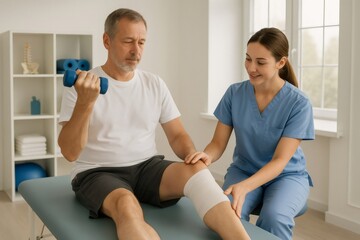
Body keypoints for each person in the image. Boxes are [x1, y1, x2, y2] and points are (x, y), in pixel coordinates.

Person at [58, 8, 250, 240]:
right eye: (128, 41)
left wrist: (191, 154)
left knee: (198, 170)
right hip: (97, 171)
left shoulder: (154, 83)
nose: (136, 50)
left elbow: (177, 134)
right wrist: (86, 102)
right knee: (126, 205)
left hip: (147, 167)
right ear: (106, 41)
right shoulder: (82, 85)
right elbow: (69, 152)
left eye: (141, 42)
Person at [185, 27, 315, 240]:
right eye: (248, 59)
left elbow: (280, 161)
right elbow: (217, 143)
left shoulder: (299, 103)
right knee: (226, 213)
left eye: (260, 62)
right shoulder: (234, 93)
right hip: (243, 170)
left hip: (287, 176)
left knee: (275, 217)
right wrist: (206, 155)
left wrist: (245, 187)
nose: (251, 68)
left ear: (280, 63)